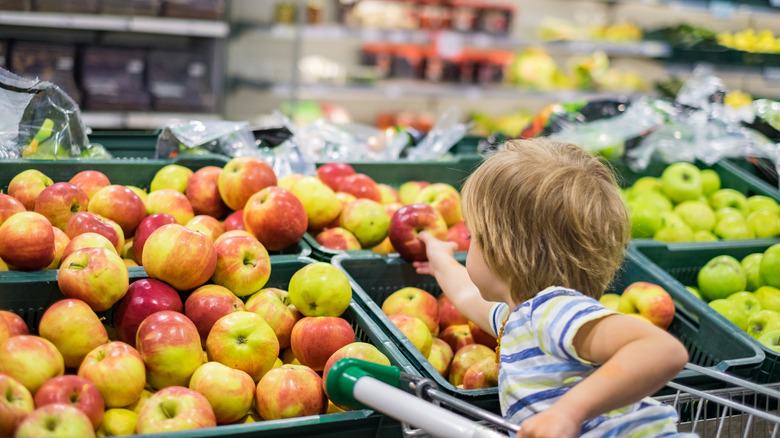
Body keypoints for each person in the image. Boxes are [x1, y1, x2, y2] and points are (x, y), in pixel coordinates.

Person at [414, 138, 690, 438]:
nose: (468, 246)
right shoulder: (519, 319)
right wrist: (439, 255)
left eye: (472, 237)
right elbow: (466, 295)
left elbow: (663, 350)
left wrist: (568, 412)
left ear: (502, 253)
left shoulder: (552, 311)